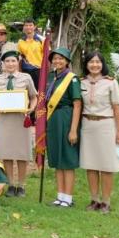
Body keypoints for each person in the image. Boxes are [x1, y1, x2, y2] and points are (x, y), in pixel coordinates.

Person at [80, 51, 119, 213]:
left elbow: (117, 108)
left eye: (98, 62)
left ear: (102, 64)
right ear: (86, 64)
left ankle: (106, 201)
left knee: (106, 165)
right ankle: (94, 200)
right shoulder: (81, 83)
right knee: (90, 165)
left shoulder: (110, 82)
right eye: (91, 62)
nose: (94, 65)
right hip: (87, 126)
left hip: (106, 125)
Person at [0, 50, 37, 197]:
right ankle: (11, 184)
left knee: (21, 153)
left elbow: (33, 97)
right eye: (7, 61)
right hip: (4, 120)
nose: (10, 64)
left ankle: (21, 185)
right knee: (7, 152)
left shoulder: (26, 77)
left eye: (13, 61)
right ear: (3, 64)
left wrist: (31, 109)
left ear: (18, 62)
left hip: (21, 119)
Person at [45, 47, 82, 208]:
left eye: (61, 58)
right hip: (53, 120)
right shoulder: (52, 77)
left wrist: (73, 129)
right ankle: (60, 196)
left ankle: (68, 197)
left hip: (66, 118)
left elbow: (77, 104)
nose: (57, 61)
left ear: (67, 61)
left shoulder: (72, 79)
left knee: (67, 159)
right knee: (57, 158)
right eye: (55, 59)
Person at [17, 18, 43, 88]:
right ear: (24, 27)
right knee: (26, 92)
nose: (28, 27)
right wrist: (20, 72)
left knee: (39, 92)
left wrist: (46, 72)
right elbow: (19, 58)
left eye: (30, 25)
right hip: (25, 71)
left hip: (38, 71)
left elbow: (47, 56)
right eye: (26, 25)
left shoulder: (41, 39)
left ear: (34, 27)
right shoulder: (20, 41)